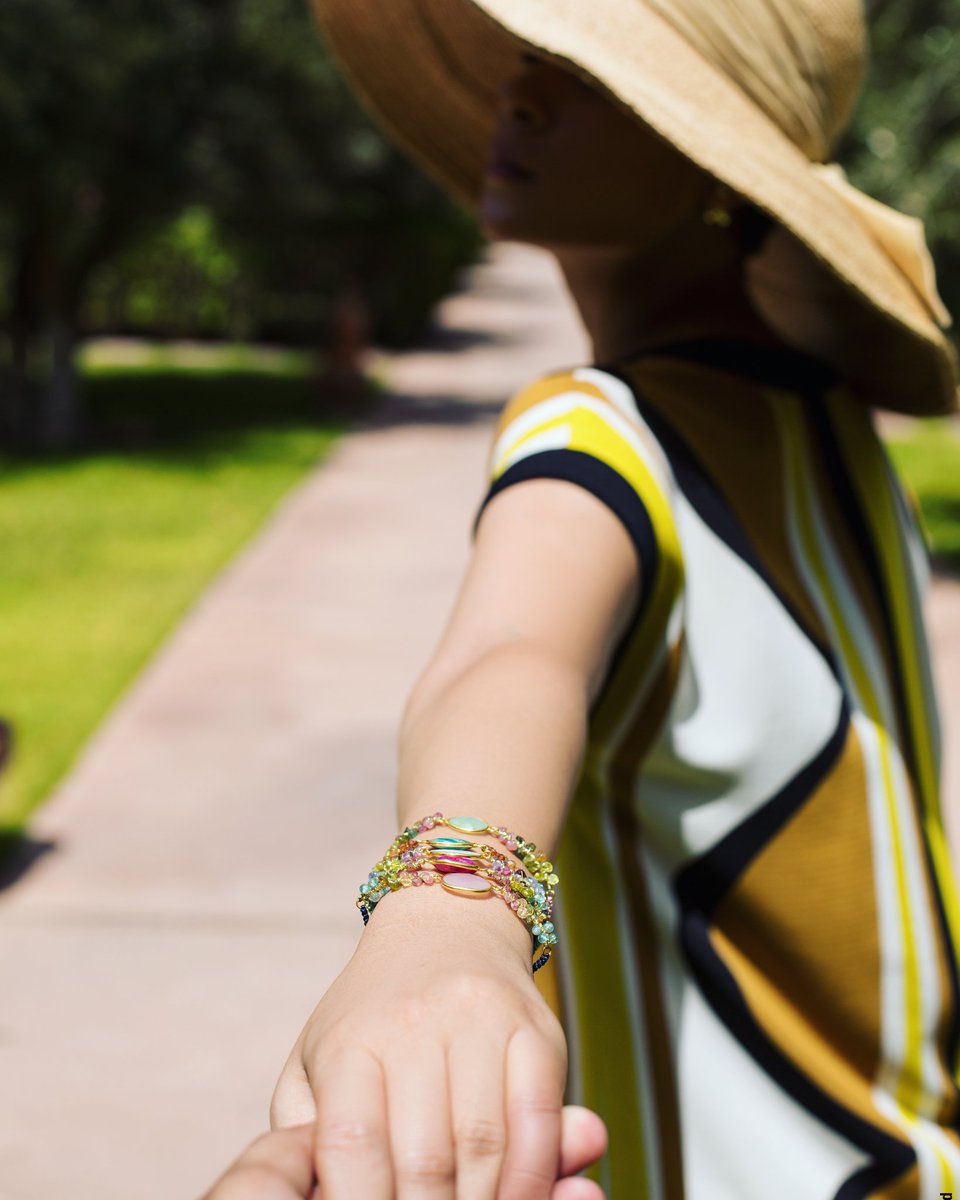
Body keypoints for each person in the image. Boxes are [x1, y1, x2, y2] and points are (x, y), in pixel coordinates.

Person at [258, 0, 960, 1196]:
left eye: (584, 74)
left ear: (711, 164)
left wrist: (453, 909)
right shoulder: (830, 432)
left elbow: (515, 652)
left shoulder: (599, 424)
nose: (520, 96)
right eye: (528, 61)